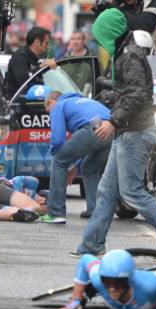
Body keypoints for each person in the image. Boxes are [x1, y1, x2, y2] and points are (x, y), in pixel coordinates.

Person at [75, 8, 156, 256]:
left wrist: (113, 121)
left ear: (109, 32)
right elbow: (130, 92)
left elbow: (137, 95)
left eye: (100, 35)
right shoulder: (124, 52)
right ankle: (91, 245)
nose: (99, 41)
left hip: (135, 131)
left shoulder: (129, 56)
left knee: (131, 192)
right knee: (106, 190)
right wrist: (110, 100)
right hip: (127, 131)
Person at [40, 91, 112, 223]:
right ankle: (95, 211)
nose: (49, 114)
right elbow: (85, 146)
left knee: (58, 160)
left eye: (47, 111)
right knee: (90, 167)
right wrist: (76, 166)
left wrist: (57, 154)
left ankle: (56, 213)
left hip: (92, 128)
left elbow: (57, 140)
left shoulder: (58, 105)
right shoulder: (83, 101)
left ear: (51, 102)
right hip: (112, 132)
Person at [4, 26, 55, 98]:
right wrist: (42, 66)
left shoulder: (36, 59)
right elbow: (23, 80)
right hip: (16, 105)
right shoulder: (20, 56)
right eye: (46, 43)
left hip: (34, 103)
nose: (48, 47)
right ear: (37, 42)